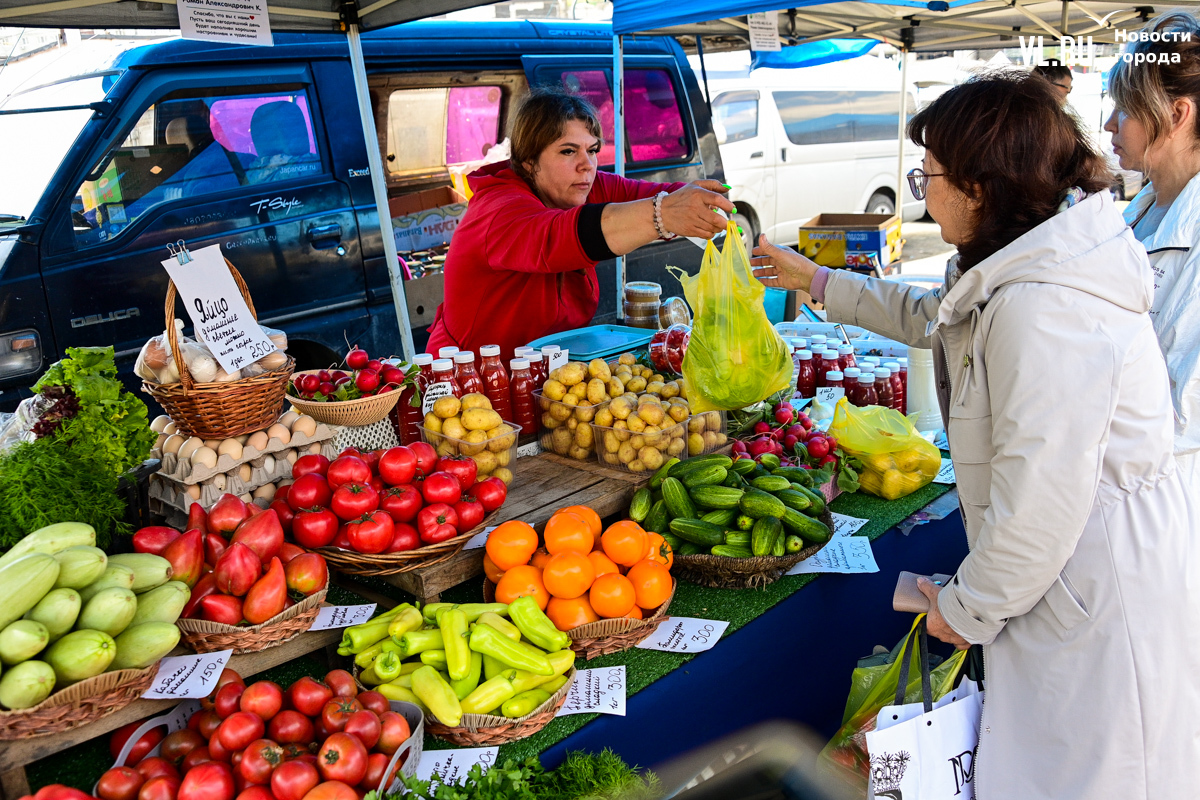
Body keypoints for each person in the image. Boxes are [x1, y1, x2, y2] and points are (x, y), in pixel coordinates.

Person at [751, 72, 1199, 799]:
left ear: (979, 186)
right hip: (1069, 580)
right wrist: (822, 284)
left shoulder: (1046, 307)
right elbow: (939, 314)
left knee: (1101, 774)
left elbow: (1040, 510)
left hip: (1099, 587)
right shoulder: (1022, 270)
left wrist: (963, 612)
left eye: (927, 174)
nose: (921, 190)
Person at [426, 88, 732, 360]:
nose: (587, 164)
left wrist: (697, 200)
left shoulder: (585, 185)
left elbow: (653, 195)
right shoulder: (498, 210)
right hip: (468, 380)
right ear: (529, 160)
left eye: (593, 150)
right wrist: (663, 214)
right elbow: (559, 237)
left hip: (549, 376)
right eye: (568, 151)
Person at [1104, 10, 1200, 500]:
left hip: (1168, 501)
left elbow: (1184, 411)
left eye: (1124, 108)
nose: (1108, 124)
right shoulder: (1137, 212)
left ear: (1177, 115)